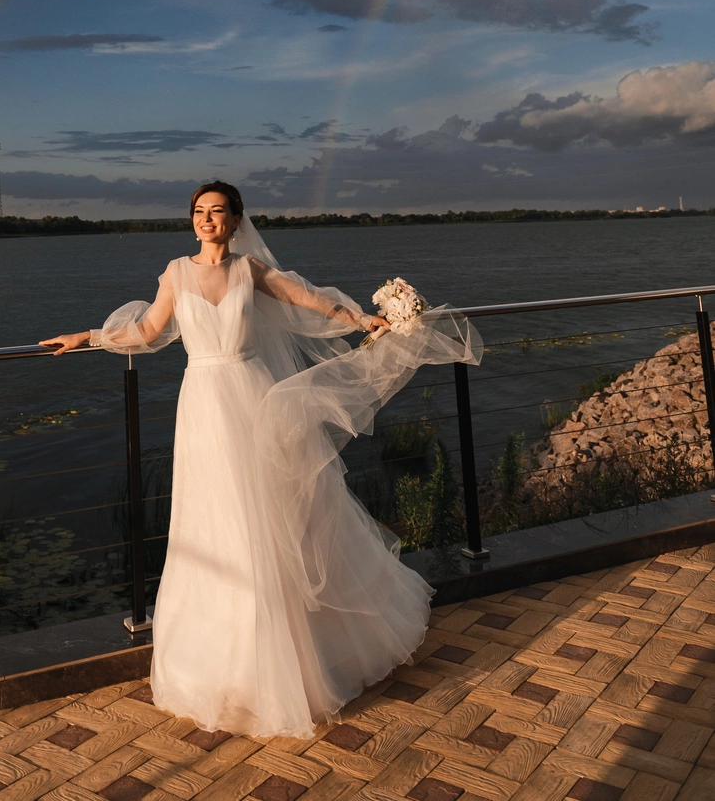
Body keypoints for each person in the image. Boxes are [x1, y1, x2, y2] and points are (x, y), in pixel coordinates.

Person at [41, 181, 480, 740]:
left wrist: (361, 320)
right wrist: (87, 338)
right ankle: (224, 665)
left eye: (217, 212)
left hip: (252, 395)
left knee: (270, 518)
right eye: (199, 212)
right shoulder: (175, 273)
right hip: (203, 405)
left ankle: (295, 661)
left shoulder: (251, 271)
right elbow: (149, 331)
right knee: (213, 520)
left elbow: (308, 299)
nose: (206, 220)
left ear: (236, 219)